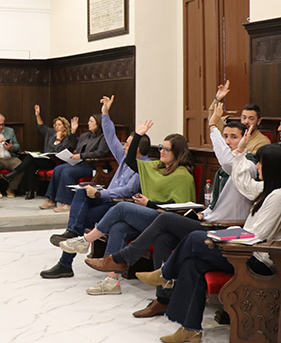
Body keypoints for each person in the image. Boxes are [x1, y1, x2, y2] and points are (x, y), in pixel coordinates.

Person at [83, 107, 256, 314]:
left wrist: (213, 125)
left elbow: (228, 165)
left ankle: (117, 257)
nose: (227, 141)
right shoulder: (218, 171)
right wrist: (204, 213)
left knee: (143, 215)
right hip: (206, 220)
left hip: (222, 229)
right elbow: (216, 204)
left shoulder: (247, 166)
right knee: (160, 237)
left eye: (233, 137)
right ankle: (163, 299)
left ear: (245, 139)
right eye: (225, 136)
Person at [136, 143, 281, 343]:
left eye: (261, 163)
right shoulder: (270, 189)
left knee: (194, 238)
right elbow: (245, 185)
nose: (258, 167)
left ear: (273, 166)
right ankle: (190, 329)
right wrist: (239, 154)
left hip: (257, 259)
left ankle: (165, 275)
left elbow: (259, 235)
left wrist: (226, 235)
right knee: (191, 263)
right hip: (246, 249)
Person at [59, 120, 196, 296]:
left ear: (177, 153)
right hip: (148, 216)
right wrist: (138, 135)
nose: (161, 151)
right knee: (118, 227)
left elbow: (181, 207)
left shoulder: (183, 175)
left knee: (122, 207)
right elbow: (130, 160)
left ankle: (85, 241)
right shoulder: (156, 167)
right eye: (161, 147)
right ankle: (111, 281)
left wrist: (150, 203)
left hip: (164, 219)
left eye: (166, 149)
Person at [40, 95, 149, 279]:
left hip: (118, 207)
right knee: (82, 194)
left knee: (81, 217)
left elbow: (127, 191)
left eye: (127, 145)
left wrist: (100, 193)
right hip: (107, 202)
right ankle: (71, 235)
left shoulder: (143, 167)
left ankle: (65, 262)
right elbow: (111, 137)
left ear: (136, 149)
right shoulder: (125, 158)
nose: (123, 147)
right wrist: (105, 113)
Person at [2, 104, 77, 200]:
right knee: (31, 164)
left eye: (59, 125)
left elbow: (59, 150)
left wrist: (58, 139)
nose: (57, 127)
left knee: (30, 159)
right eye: (56, 125)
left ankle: (13, 175)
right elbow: (41, 126)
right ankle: (30, 191)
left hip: (56, 161)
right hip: (45, 159)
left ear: (65, 127)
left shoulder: (67, 138)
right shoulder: (51, 133)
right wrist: (38, 115)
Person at [39, 113, 109, 211]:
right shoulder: (85, 135)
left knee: (67, 172)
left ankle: (67, 203)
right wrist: (73, 132)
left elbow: (100, 153)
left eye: (91, 121)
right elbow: (74, 145)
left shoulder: (104, 137)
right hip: (80, 163)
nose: (88, 123)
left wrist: (81, 156)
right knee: (58, 169)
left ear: (98, 124)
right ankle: (51, 200)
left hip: (94, 166)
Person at [207, 80, 270, 153]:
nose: (246, 121)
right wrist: (217, 99)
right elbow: (213, 119)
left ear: (258, 121)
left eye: (251, 119)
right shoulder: (231, 132)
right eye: (244, 117)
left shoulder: (262, 141)